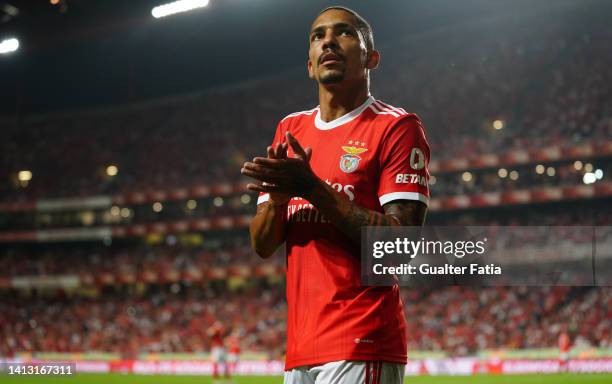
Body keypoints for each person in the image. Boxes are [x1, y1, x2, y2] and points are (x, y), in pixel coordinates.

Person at [241, 6, 429, 384]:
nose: (327, 40)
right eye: (317, 36)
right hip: (300, 348)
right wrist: (279, 199)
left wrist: (311, 188)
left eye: (344, 33)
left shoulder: (395, 127)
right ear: (310, 65)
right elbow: (262, 245)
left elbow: (400, 244)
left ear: (371, 58)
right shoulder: (290, 129)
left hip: (362, 339)